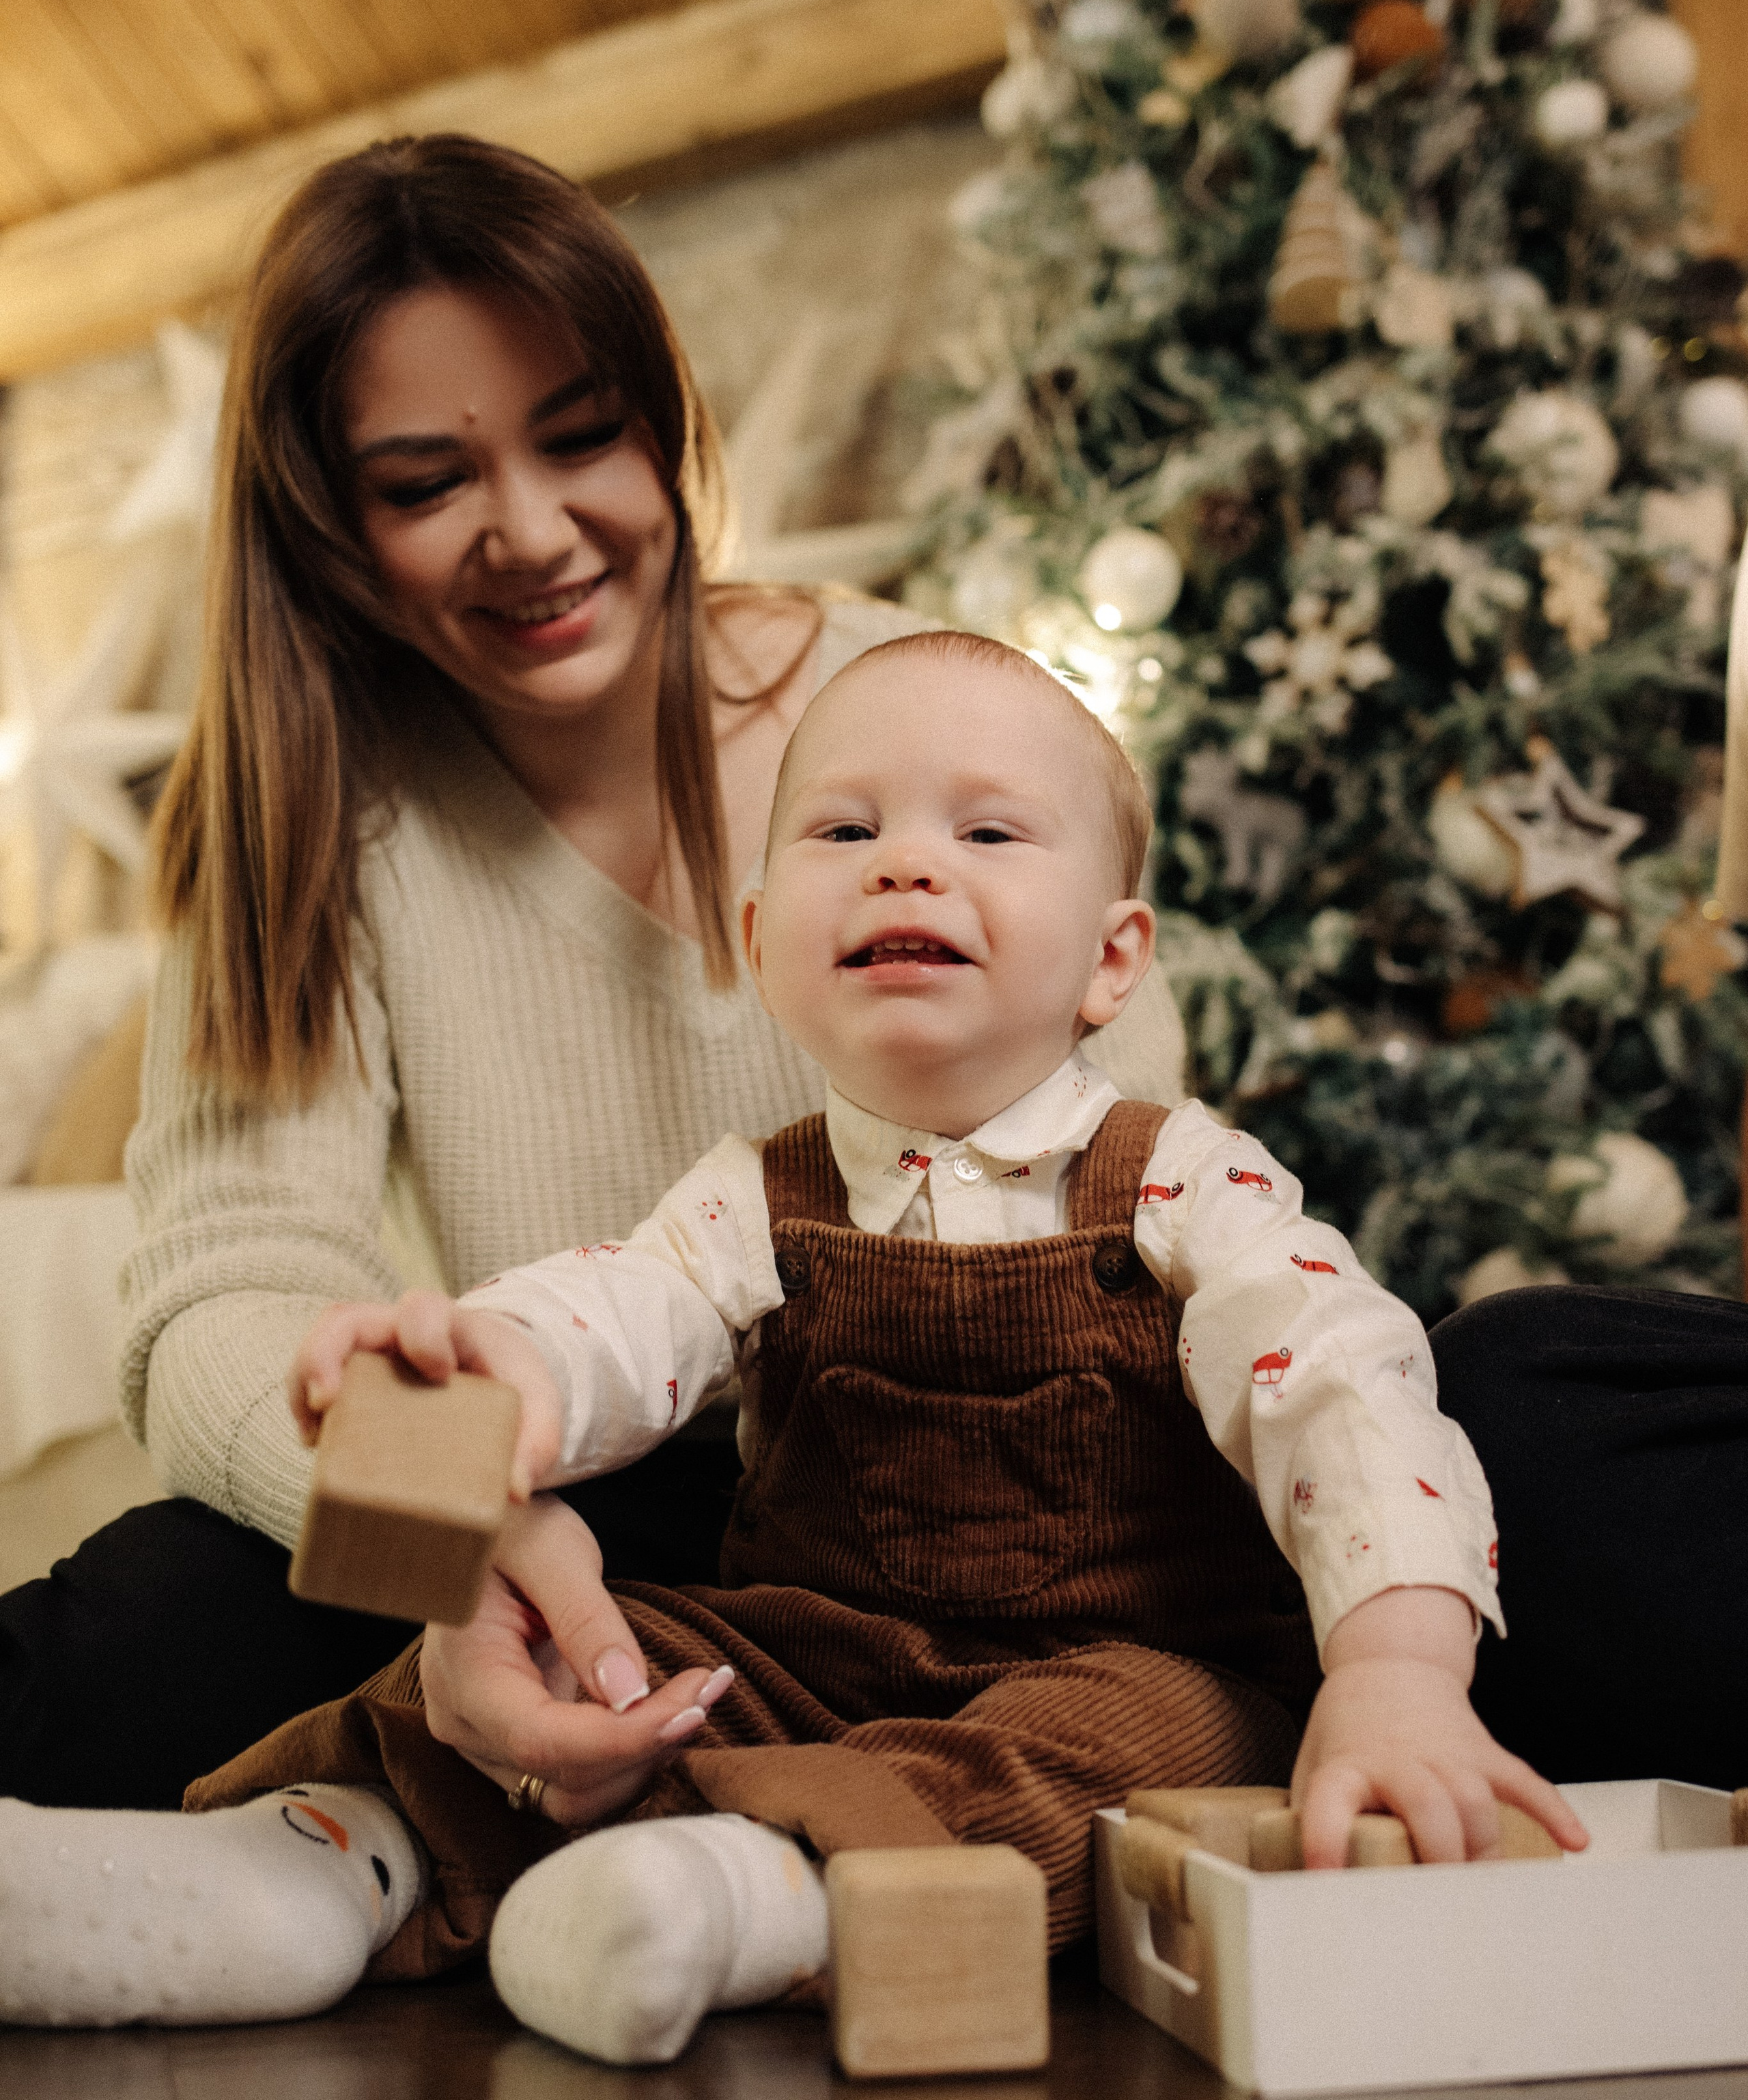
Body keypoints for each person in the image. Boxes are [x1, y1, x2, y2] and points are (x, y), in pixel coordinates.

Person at [0, 633, 1583, 2044]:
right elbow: (615, 1316)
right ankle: (316, 1859)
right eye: (845, 829)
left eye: (983, 831)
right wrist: (487, 1377)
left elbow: (1339, 1390)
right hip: (809, 1650)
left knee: (1138, 1753)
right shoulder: (752, 1198)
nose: (905, 864)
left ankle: (749, 1897)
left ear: (1112, 957)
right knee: (588, 1649)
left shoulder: (1188, 1180)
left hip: (1117, 1660)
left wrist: (1392, 1668)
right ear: (763, 941)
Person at [0, 135, 1188, 1815]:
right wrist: (455, 1526)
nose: (533, 534)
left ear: (658, 419)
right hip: (565, 1487)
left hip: (966, 1481)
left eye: (581, 440)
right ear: (329, 520)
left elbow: (1128, 1147)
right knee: (125, 1639)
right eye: (426, 485)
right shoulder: (299, 813)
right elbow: (225, 1292)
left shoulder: (896, 696)